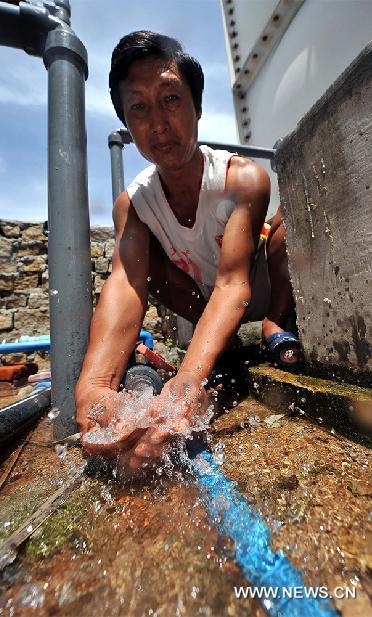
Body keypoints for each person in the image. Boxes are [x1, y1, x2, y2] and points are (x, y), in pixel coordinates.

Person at [75, 31, 304, 473]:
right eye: (138, 107)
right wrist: (94, 386)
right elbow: (124, 283)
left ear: (197, 107)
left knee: (287, 228)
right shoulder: (135, 205)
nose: (157, 122)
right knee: (140, 264)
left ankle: (275, 321)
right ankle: (224, 347)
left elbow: (234, 281)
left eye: (171, 99)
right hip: (203, 306)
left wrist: (186, 381)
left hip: (251, 287)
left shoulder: (243, 179)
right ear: (126, 120)